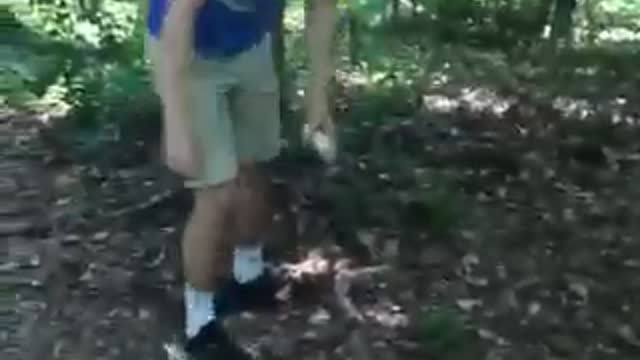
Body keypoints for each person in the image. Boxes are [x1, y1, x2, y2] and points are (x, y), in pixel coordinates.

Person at [145, 0, 285, 358]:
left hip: (250, 46)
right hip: (189, 53)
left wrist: (318, 98)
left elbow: (323, 8)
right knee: (216, 190)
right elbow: (177, 25)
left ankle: (249, 274)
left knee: (253, 166)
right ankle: (199, 324)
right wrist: (175, 125)